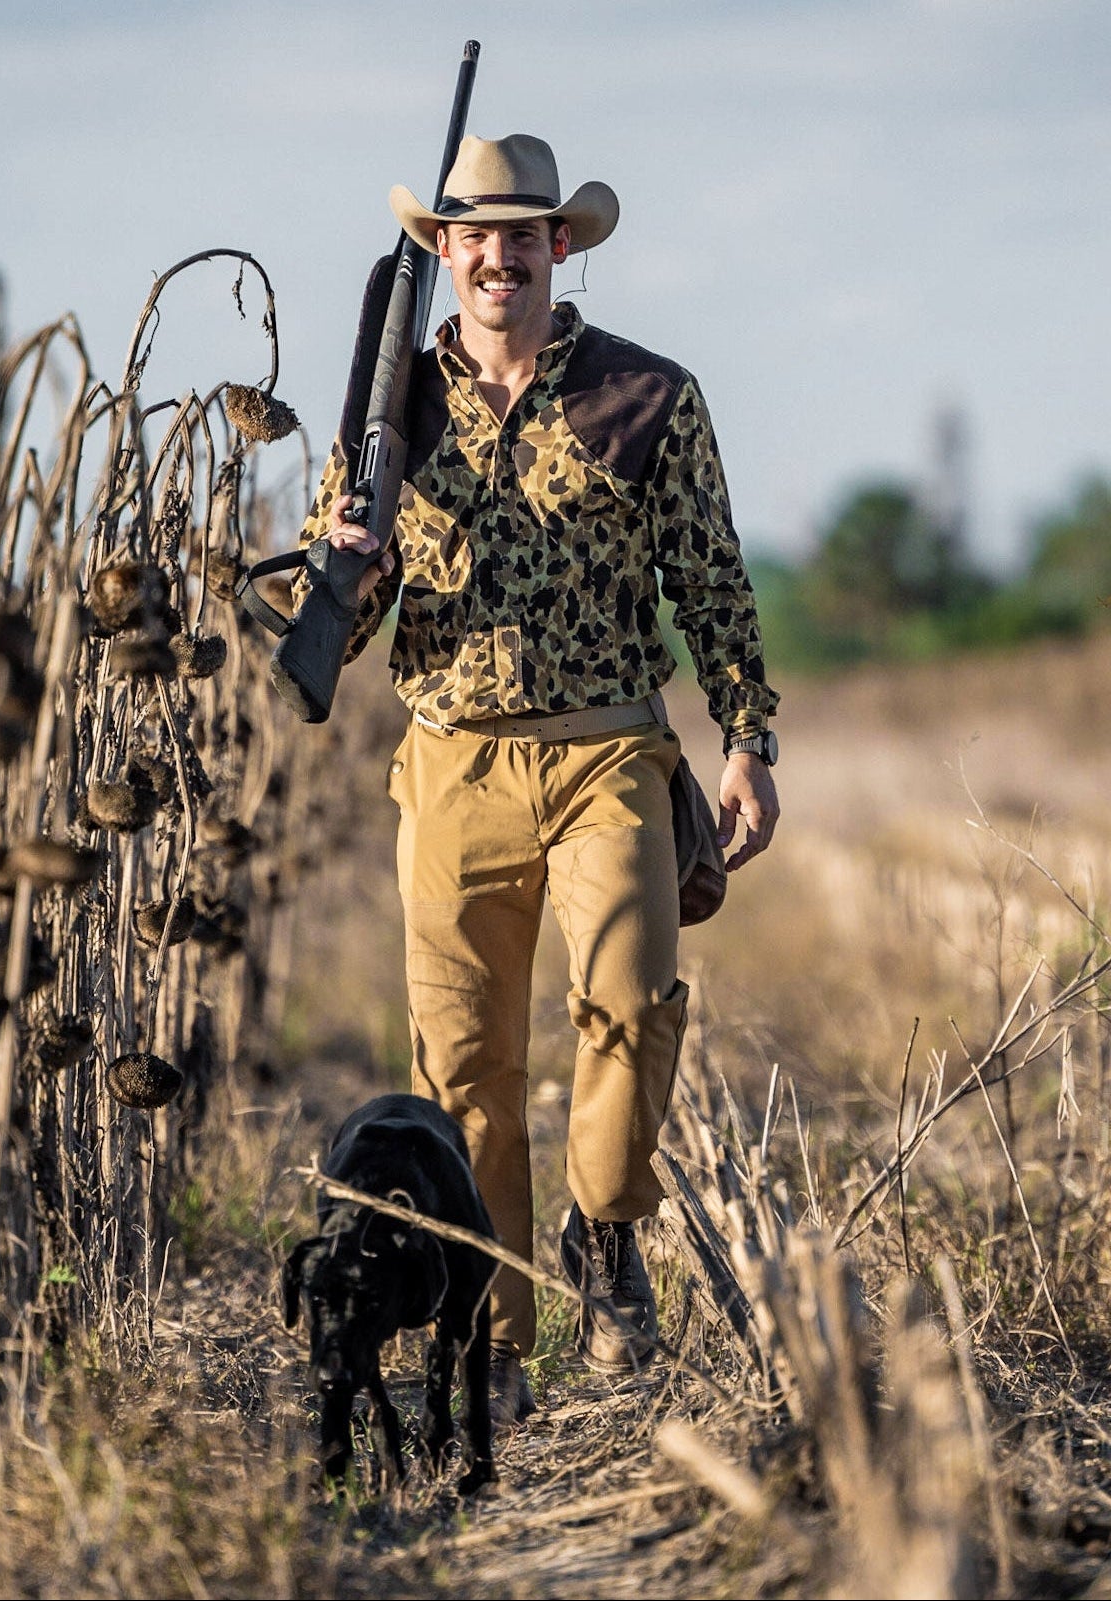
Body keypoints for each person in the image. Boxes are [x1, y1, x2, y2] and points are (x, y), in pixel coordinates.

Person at [294, 132, 780, 1427]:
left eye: (524, 234)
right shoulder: (389, 412)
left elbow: (712, 583)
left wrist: (747, 738)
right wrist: (347, 554)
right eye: (475, 235)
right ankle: (493, 1343)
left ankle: (606, 1230)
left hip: (611, 747)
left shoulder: (647, 396)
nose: (499, 255)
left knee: (632, 997)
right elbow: (335, 625)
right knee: (467, 1081)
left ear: (561, 246)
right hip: (450, 765)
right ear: (445, 252)